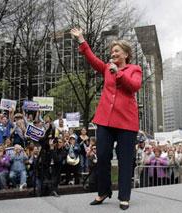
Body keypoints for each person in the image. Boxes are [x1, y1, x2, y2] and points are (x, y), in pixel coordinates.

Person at [70, 27, 142, 210]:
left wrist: (117, 72)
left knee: (125, 160)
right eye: (111, 52)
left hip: (127, 122)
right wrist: (81, 40)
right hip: (105, 121)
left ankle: (124, 196)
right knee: (102, 156)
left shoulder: (135, 69)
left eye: (117, 51)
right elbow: (92, 59)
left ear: (125, 54)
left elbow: (134, 86)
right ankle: (103, 192)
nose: (113, 53)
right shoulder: (106, 69)